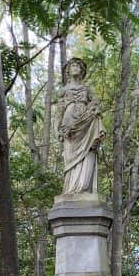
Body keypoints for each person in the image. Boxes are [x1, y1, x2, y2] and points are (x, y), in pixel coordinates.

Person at [57, 57, 104, 195]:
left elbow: (96, 105)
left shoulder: (88, 89)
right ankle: (70, 189)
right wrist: (57, 130)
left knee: (88, 151)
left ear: (82, 71)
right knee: (69, 157)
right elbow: (59, 111)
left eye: (78, 66)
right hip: (69, 126)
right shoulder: (63, 90)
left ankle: (84, 188)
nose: (75, 68)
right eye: (72, 66)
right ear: (68, 71)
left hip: (85, 124)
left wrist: (95, 111)